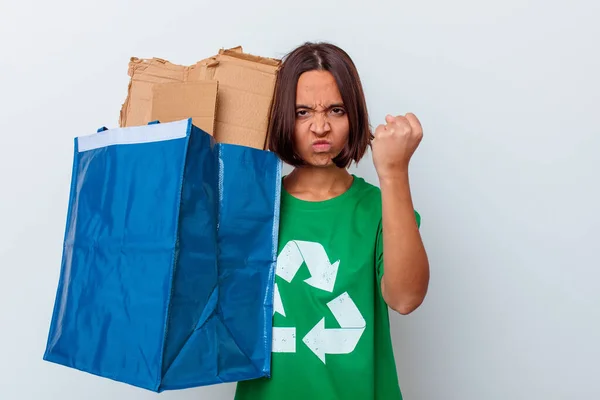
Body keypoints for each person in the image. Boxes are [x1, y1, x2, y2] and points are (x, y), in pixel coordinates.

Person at [234, 41, 430, 400]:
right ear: (281, 117)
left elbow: (405, 298)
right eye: (302, 112)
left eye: (336, 110)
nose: (320, 126)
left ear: (354, 115)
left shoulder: (378, 207)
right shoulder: (253, 208)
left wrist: (394, 173)